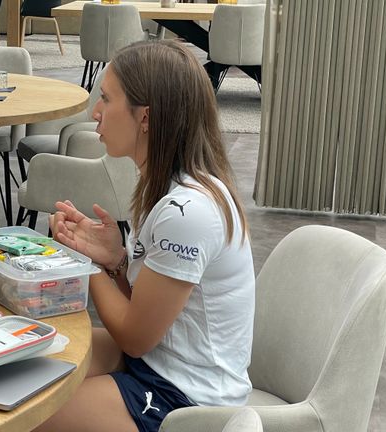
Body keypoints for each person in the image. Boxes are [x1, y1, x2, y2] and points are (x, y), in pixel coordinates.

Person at [38, 40, 255, 432]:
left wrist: (83, 262)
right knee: (26, 367)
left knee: (23, 416)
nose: (95, 112)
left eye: (106, 98)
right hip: (157, 364)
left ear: (146, 118)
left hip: (187, 399)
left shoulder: (187, 212)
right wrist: (116, 261)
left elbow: (136, 336)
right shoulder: (169, 189)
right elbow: (146, 313)